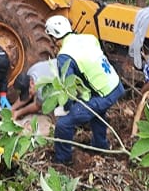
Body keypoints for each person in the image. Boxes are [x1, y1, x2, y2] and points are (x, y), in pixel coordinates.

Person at [43, 15, 125, 166]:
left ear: (54, 37)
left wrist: (67, 108)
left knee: (64, 124)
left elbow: (69, 87)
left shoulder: (64, 56)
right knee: (95, 110)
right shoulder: (89, 37)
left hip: (103, 94)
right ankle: (101, 147)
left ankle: (63, 161)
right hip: (115, 85)